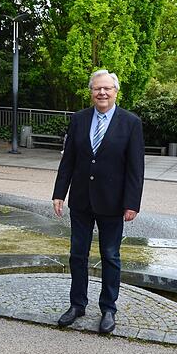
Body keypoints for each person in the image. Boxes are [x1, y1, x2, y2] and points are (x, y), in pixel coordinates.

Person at [52, 69, 144, 334]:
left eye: (107, 89)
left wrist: (132, 203)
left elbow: (135, 168)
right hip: (81, 200)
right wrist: (59, 193)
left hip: (113, 202)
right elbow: (68, 159)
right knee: (77, 255)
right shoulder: (79, 120)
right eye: (97, 89)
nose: (102, 93)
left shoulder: (130, 123)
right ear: (91, 92)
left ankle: (108, 309)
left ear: (116, 92)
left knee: (110, 256)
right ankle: (77, 304)